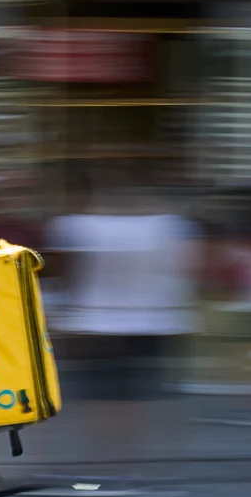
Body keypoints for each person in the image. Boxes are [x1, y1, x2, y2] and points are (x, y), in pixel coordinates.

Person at [44, 162, 200, 471]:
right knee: (143, 396)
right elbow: (188, 271)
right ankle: (147, 466)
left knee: (102, 400)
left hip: (93, 323)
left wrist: (59, 314)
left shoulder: (76, 226)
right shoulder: (173, 225)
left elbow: (66, 276)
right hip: (156, 321)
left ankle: (107, 466)